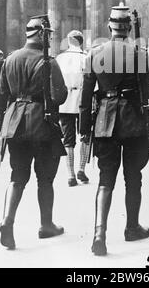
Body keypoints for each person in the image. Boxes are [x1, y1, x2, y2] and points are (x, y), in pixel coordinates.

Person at [80, 2, 149, 256]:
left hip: (104, 123)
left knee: (105, 180)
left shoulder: (94, 54)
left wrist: (84, 129)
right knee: (133, 177)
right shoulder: (140, 52)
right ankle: (132, 227)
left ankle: (99, 234)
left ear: (109, 26)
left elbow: (84, 97)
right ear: (128, 27)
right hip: (133, 122)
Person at [0, 15, 68, 250]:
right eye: (49, 35)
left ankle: (7, 221)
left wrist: (4, 122)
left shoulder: (10, 59)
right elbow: (60, 96)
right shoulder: (49, 62)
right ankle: (46, 225)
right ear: (42, 34)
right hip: (42, 125)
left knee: (17, 176)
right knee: (45, 178)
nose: (50, 39)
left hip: (14, 124)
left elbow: (0, 97)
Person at [56, 30, 89, 187]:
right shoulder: (86, 58)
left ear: (69, 42)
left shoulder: (60, 58)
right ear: (81, 42)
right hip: (83, 101)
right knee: (85, 135)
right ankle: (81, 168)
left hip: (64, 102)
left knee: (68, 140)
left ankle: (70, 175)